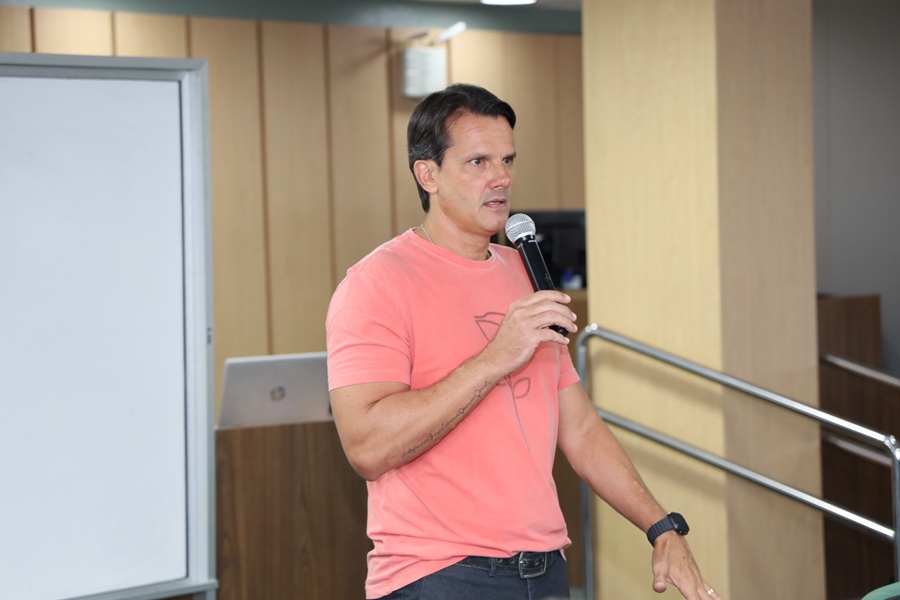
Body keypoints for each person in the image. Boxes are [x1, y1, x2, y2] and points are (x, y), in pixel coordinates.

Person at [326, 83, 719, 600]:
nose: (502, 178)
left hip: (545, 570)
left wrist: (661, 527)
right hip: (439, 575)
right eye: (478, 162)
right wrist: (495, 357)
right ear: (428, 175)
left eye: (508, 160)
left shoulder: (525, 271)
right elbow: (367, 448)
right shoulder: (377, 283)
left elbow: (579, 426)